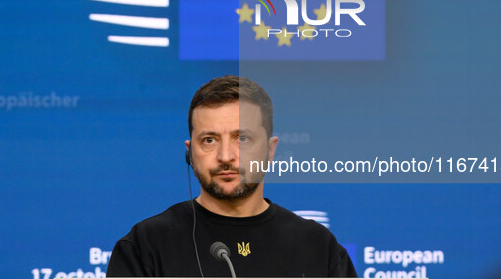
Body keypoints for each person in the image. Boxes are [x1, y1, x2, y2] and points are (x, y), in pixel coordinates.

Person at [107, 75, 357, 277]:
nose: (226, 155)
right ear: (190, 152)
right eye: (209, 140)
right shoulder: (146, 246)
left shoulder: (317, 247)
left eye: (243, 138)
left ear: (270, 150)